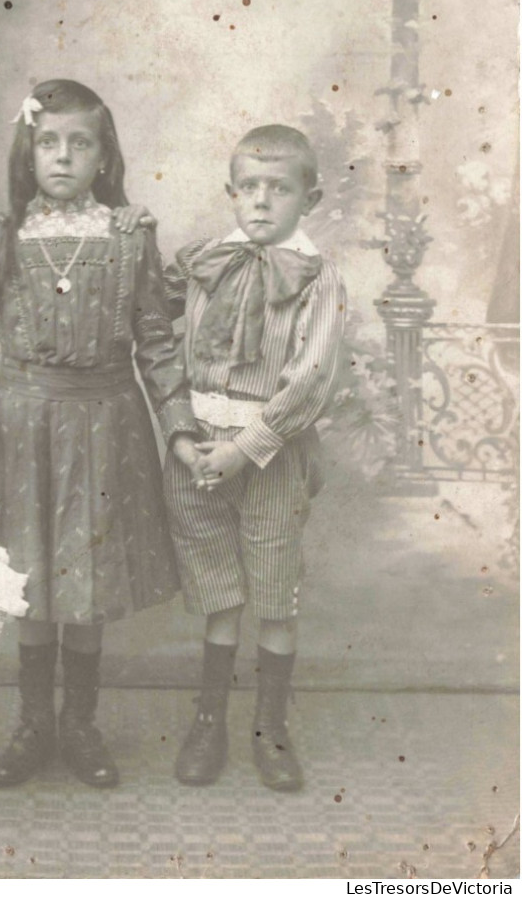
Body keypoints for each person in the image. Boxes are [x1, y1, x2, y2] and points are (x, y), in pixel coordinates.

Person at [0, 79, 200, 790]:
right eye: (48, 142)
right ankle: (32, 724)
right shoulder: (0, 235)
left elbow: (155, 340)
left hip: (107, 423)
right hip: (21, 427)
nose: (62, 156)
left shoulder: (128, 235)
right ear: (28, 151)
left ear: (103, 155)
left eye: (79, 143)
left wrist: (178, 427)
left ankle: (79, 723)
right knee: (26, 577)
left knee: (88, 573)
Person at [163, 124, 346, 791]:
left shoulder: (317, 278)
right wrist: (182, 430)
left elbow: (312, 377)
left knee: (274, 592)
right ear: (230, 193)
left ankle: (270, 727)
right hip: (200, 450)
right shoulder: (205, 261)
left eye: (280, 188)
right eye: (250, 188)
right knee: (218, 588)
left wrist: (246, 448)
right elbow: (158, 337)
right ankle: (208, 719)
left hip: (266, 454)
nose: (262, 202)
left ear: (310, 197)